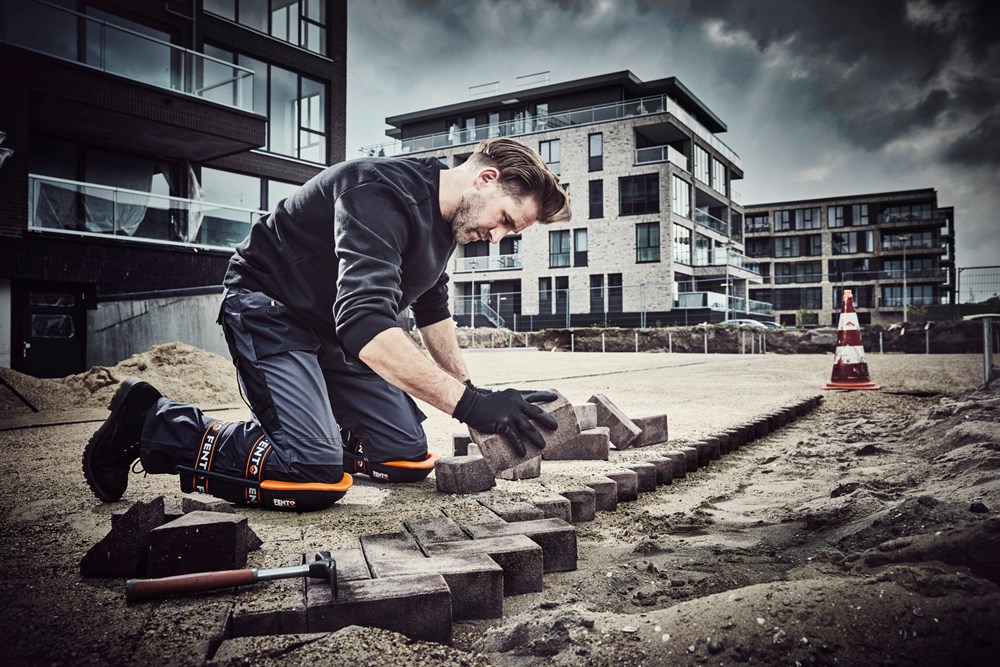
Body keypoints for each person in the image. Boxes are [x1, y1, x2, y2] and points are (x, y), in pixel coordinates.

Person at [82, 138, 572, 511]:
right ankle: (150, 421)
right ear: (485, 179)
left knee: (405, 457)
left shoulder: (449, 224)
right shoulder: (378, 192)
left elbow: (431, 309)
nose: (497, 237)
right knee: (312, 474)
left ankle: (313, 424)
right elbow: (364, 324)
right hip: (270, 309)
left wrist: (471, 397)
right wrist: (470, 404)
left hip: (332, 329)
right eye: (507, 220)